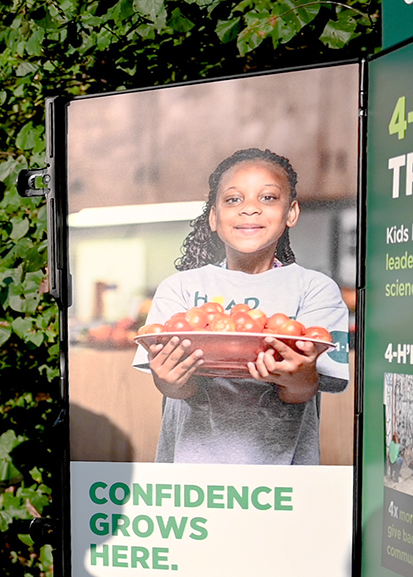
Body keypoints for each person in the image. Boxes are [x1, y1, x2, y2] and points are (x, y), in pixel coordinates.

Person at [134, 148, 350, 464]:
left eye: (268, 198)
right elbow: (175, 388)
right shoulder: (179, 288)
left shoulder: (315, 290)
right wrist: (169, 378)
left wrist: (299, 376)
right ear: (213, 217)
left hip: (283, 482)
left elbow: (302, 390)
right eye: (234, 199)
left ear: (291, 213)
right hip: (189, 478)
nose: (250, 209)